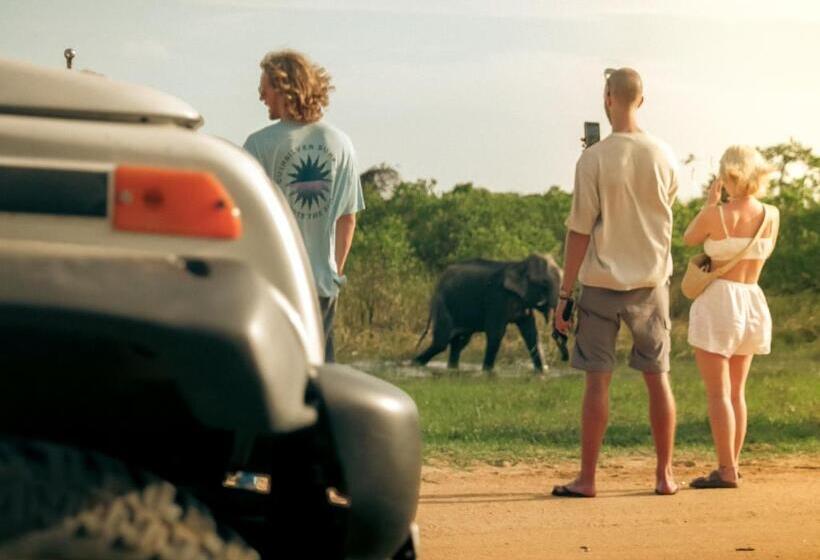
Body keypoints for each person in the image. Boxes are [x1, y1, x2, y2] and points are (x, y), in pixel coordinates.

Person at [552, 68, 679, 498]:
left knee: (597, 380)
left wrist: (564, 295)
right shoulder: (664, 154)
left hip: (602, 283)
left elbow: (580, 231)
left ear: (608, 98)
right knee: (657, 377)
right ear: (641, 99)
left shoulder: (593, 159)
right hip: (651, 283)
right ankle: (664, 476)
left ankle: (588, 479)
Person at [244, 50, 364, 363]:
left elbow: (249, 218)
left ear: (284, 88)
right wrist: (335, 271)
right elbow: (347, 218)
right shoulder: (341, 143)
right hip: (323, 284)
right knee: (322, 372)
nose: (261, 96)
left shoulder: (258, 145)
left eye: (265, 88)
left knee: (277, 369)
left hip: (276, 281)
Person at [683, 146, 779, 488]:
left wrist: (711, 204)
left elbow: (689, 238)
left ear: (727, 175)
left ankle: (725, 470)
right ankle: (732, 465)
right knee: (737, 392)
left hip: (720, 300)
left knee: (718, 393)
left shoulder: (716, 215)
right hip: (752, 298)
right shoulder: (772, 215)